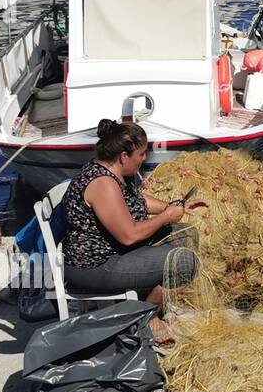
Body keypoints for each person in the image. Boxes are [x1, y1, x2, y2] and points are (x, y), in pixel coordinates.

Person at [61, 119, 198, 308]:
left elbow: (139, 201)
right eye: (141, 154)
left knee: (185, 233)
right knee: (184, 261)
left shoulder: (114, 173)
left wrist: (173, 207)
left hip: (114, 251)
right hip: (95, 265)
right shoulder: (103, 184)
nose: (144, 158)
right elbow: (129, 235)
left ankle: (144, 296)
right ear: (124, 156)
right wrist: (166, 217)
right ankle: (144, 317)